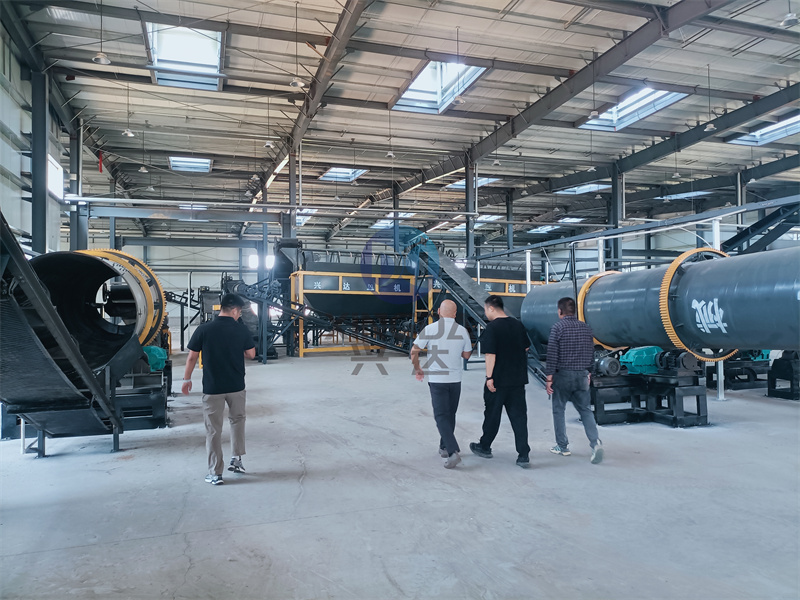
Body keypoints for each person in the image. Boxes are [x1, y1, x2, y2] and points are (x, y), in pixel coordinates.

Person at [182, 293, 256, 485]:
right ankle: (237, 459)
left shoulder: (204, 329)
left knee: (213, 429)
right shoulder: (241, 329)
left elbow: (191, 357)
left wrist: (187, 379)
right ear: (235, 310)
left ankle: (215, 473)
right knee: (237, 421)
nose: (239, 316)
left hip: (213, 387)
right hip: (236, 386)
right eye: (239, 312)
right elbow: (251, 354)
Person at [469, 295, 532, 469]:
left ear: (491, 308)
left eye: (485, 309)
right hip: (517, 380)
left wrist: (489, 377)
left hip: (498, 381)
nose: (485, 313)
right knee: (519, 418)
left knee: (492, 415)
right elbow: (526, 347)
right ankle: (523, 455)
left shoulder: (492, 328)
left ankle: (485, 446)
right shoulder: (518, 325)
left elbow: (490, 354)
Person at [411, 299, 473, 469]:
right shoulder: (462, 331)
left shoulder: (430, 329)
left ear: (438, 311)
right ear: (455, 314)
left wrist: (418, 369)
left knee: (441, 415)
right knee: (450, 414)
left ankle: (452, 451)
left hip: (437, 380)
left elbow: (414, 350)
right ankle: (444, 446)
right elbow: (467, 355)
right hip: (455, 380)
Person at [545, 297, 603, 464]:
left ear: (560, 311)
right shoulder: (586, 328)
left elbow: (552, 354)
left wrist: (549, 378)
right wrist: (589, 372)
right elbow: (591, 352)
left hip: (563, 375)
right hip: (582, 375)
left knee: (559, 410)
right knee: (585, 410)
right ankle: (595, 443)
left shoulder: (557, 328)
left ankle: (562, 446)